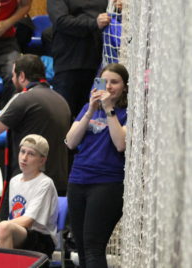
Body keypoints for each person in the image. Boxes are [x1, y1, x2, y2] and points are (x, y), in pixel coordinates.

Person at [0, 54, 71, 195]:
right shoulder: (62, 101)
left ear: (22, 76)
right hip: (58, 185)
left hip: (30, 184)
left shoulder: (24, 98)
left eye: (14, 75)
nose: (13, 79)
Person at [65, 63, 127, 267]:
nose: (108, 87)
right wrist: (91, 109)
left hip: (107, 183)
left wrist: (109, 109)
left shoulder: (128, 112)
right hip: (78, 179)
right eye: (104, 81)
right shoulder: (88, 109)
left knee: (93, 246)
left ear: (124, 87)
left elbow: (120, 144)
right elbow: (71, 142)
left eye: (114, 82)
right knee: (81, 247)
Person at [47, 0, 110, 117]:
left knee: (93, 118)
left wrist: (118, 9)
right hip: (69, 66)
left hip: (97, 68)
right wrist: (93, 23)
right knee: (65, 116)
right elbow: (61, 22)